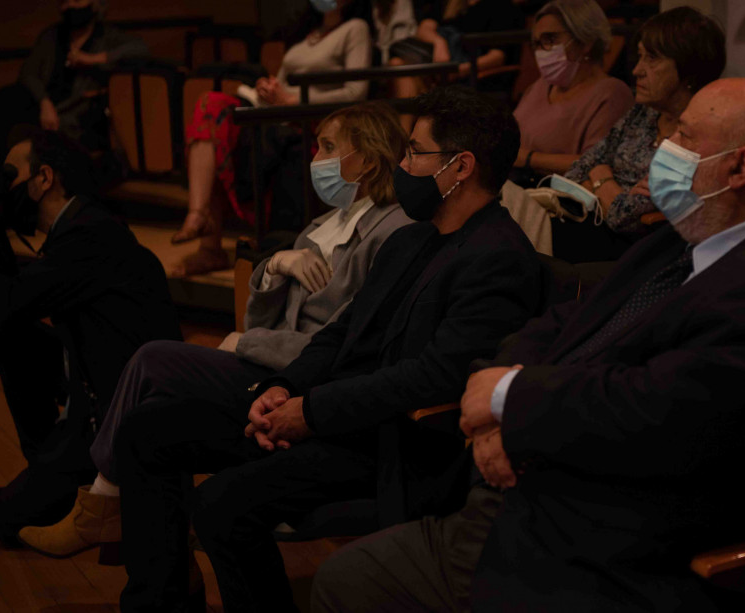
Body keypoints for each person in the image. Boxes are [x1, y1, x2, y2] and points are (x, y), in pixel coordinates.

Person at [309, 78, 745, 612]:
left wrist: (510, 402)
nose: (663, 149)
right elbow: (561, 324)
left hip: (614, 551)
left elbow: (652, 411)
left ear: (739, 167)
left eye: (684, 137)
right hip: (537, 495)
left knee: (346, 582)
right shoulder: (688, 235)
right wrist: (496, 404)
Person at [113, 86, 544, 613]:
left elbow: (431, 378)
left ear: (461, 166)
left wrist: (311, 412)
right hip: (336, 415)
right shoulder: (412, 238)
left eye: (414, 151)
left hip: (395, 444)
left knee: (222, 504)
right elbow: (342, 333)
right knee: (149, 429)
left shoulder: (499, 258)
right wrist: (283, 387)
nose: (402, 165)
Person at [15, 102, 413, 559]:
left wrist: (248, 342)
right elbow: (262, 320)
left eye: (327, 147)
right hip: (271, 364)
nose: (314, 160)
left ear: (367, 159)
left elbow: (342, 341)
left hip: (305, 382)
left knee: (153, 360)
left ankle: (102, 506)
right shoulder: (320, 226)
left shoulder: (390, 231)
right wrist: (274, 267)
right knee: (153, 413)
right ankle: (152, 541)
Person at [0, 129, 179, 545]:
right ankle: (46, 464)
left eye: (10, 176)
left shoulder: (90, 236)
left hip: (114, 428)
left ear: (44, 178)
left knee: (5, 518)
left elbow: (7, 301)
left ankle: (61, 478)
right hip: (90, 401)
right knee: (12, 335)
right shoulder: (84, 226)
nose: (6, 190)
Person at [170, 0, 374, 277]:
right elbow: (282, 82)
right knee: (211, 105)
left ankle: (207, 238)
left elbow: (355, 92)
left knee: (231, 130)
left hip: (316, 120)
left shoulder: (355, 28)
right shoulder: (307, 32)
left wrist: (292, 100)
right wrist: (268, 90)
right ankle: (199, 219)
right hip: (280, 114)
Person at [551, 6, 726, 262]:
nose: (637, 70)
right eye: (640, 56)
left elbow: (624, 218)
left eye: (652, 58)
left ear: (689, 67)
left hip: (642, 254)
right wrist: (610, 187)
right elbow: (580, 168)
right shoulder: (643, 114)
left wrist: (600, 178)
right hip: (591, 229)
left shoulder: (698, 133)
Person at [0, 0, 148, 161]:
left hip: (78, 118)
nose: (70, 6)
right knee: (7, 100)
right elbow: (28, 73)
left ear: (95, 4)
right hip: (43, 109)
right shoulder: (51, 36)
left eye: (77, 1)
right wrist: (44, 102)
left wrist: (93, 59)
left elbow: (140, 49)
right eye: (65, 2)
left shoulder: (106, 36)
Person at [509, 0, 633, 182]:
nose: (541, 51)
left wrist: (529, 159)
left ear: (585, 41)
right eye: (536, 43)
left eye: (550, 40)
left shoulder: (612, 93)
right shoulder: (540, 86)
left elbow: (597, 164)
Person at [388, 0, 525, 98]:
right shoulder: (450, 5)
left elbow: (497, 57)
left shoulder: (501, 7)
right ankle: (408, 128)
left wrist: (458, 70)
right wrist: (439, 43)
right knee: (397, 63)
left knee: (414, 82)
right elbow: (424, 28)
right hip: (438, 68)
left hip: (471, 76)